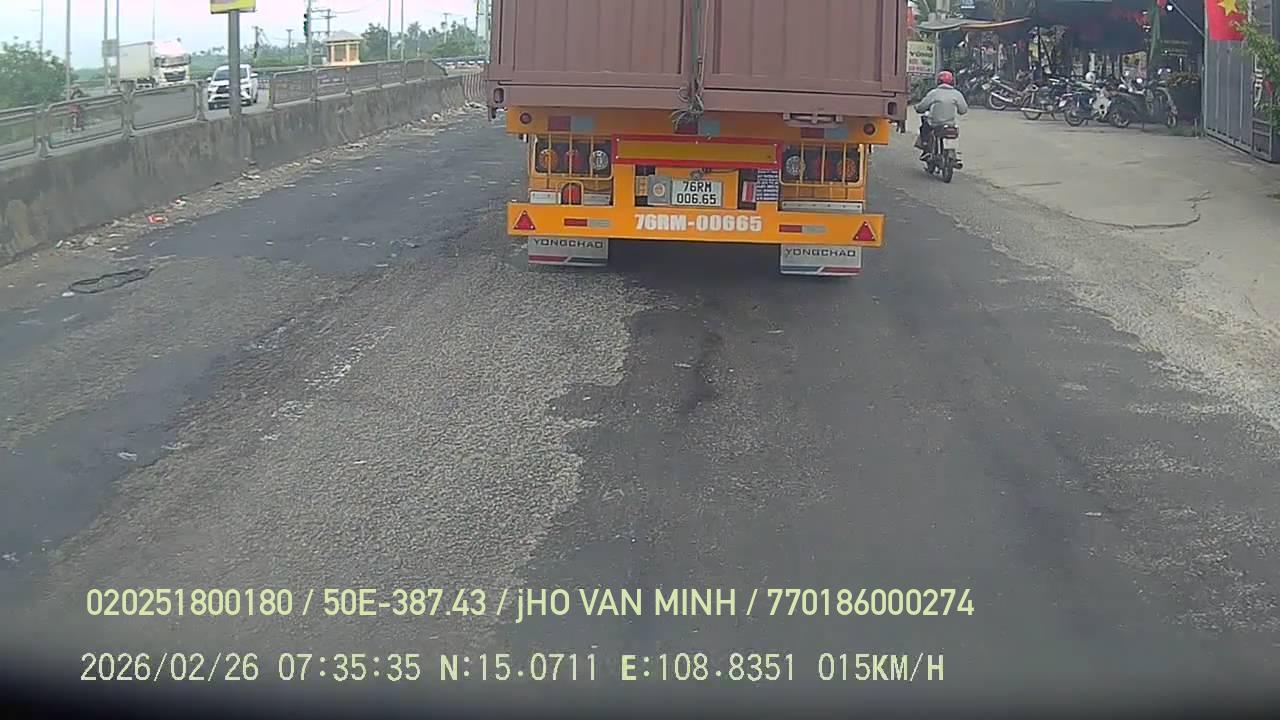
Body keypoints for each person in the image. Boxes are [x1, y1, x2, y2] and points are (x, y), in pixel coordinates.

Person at [914, 70, 969, 159]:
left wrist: (917, 107)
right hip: (950, 125)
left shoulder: (934, 93)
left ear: (938, 81)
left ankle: (925, 145)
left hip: (935, 124)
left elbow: (921, 107)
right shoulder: (957, 94)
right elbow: (963, 110)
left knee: (925, 124)